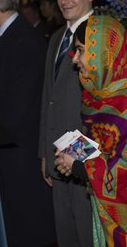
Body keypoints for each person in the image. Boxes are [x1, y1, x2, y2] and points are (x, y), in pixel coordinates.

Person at [0, 0, 56, 246]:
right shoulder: (13, 37)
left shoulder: (21, 41)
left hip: (20, 153)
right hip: (13, 148)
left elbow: (18, 108)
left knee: (27, 229)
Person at [54, 15, 127, 247]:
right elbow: (104, 149)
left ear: (102, 52)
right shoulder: (99, 97)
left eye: (81, 50)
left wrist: (77, 165)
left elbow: (121, 178)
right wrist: (76, 151)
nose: (75, 60)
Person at [38, 0, 95, 246]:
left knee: (87, 234)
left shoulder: (101, 36)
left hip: (86, 161)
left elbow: (104, 103)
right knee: (66, 236)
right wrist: (45, 152)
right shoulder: (57, 37)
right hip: (57, 157)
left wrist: (76, 159)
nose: (66, 0)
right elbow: (47, 98)